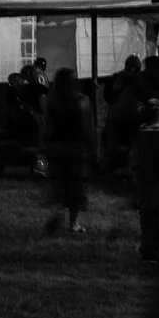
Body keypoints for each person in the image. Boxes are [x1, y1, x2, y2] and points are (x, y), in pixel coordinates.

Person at [39, 66, 95, 234]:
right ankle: (73, 222)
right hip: (75, 148)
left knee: (59, 182)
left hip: (55, 147)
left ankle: (59, 212)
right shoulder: (82, 101)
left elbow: (46, 127)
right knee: (76, 185)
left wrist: (44, 146)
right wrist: (92, 150)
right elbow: (88, 128)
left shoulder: (51, 101)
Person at [130, 99, 159, 265]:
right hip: (149, 174)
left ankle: (150, 249)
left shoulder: (143, 134)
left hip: (147, 175)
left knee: (150, 209)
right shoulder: (148, 134)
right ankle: (150, 249)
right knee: (151, 209)